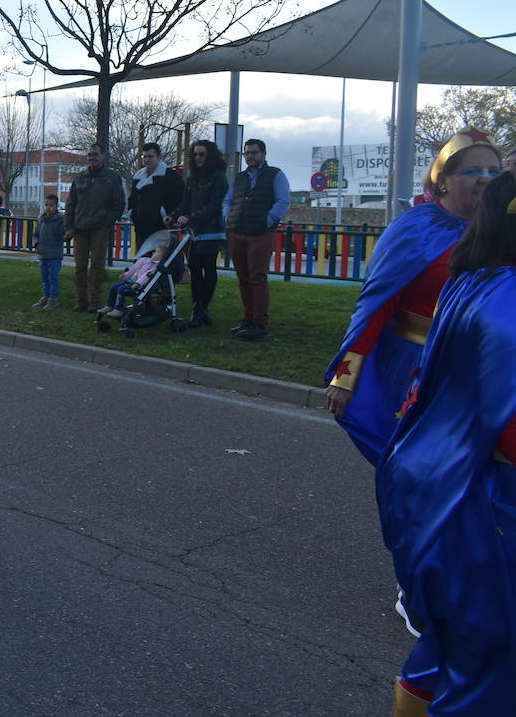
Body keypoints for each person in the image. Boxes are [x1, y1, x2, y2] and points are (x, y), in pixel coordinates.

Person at [375, 171, 516, 716]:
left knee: (447, 654)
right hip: (489, 504)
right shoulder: (507, 302)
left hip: (447, 490)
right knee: (490, 667)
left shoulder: (476, 280)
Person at [326, 128, 501, 465]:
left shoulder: (501, 231)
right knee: (417, 467)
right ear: (443, 179)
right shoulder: (416, 227)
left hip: (482, 370)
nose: (485, 179)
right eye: (473, 171)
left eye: (494, 172)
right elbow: (378, 303)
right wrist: (346, 375)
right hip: (415, 368)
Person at [221, 138, 290, 340]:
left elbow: (283, 201)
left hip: (260, 234)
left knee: (257, 278)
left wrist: (266, 221)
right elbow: (228, 199)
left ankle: (260, 323)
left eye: (254, 153)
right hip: (238, 232)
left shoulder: (275, 174)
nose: (250, 156)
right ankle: (248, 319)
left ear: (263, 154)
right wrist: (228, 216)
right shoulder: (240, 177)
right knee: (243, 279)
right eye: (247, 153)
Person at [63, 143, 126, 312]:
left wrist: (107, 222)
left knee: (97, 266)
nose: (92, 157)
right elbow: (70, 204)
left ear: (103, 155)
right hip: (80, 229)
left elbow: (119, 203)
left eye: (95, 154)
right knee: (80, 266)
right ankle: (80, 300)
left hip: (100, 228)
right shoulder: (79, 177)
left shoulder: (112, 177)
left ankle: (95, 300)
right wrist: (69, 226)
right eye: (90, 154)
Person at [173, 140, 229, 328]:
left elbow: (214, 206)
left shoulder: (219, 177)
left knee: (209, 269)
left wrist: (191, 217)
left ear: (210, 155)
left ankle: (201, 309)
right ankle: (199, 310)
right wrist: (173, 216)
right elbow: (184, 204)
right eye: (195, 154)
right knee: (195, 270)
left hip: (211, 232)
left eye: (202, 154)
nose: (198, 158)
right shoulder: (192, 179)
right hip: (194, 232)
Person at [128, 142, 184, 248]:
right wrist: (132, 213)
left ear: (159, 157)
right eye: (144, 156)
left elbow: (180, 199)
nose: (147, 160)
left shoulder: (170, 176)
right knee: (142, 262)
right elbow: (132, 198)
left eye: (150, 156)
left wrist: (168, 216)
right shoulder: (137, 176)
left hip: (162, 228)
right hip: (141, 227)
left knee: (159, 261)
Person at [97, 244, 168, 318]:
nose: (153, 253)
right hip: (131, 282)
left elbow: (146, 276)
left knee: (121, 289)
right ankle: (109, 306)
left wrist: (138, 283)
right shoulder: (145, 261)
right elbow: (133, 270)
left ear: (163, 256)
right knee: (114, 287)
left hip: (140, 286)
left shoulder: (156, 267)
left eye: (157, 252)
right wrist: (125, 276)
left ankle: (119, 310)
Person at [33, 193, 65, 309]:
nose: (48, 207)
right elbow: (36, 234)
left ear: (56, 206)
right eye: (46, 205)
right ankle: (45, 297)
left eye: (51, 205)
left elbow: (62, 235)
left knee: (53, 277)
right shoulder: (41, 218)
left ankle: (53, 299)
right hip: (43, 254)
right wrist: (36, 244)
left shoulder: (60, 219)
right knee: (45, 278)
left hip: (54, 254)